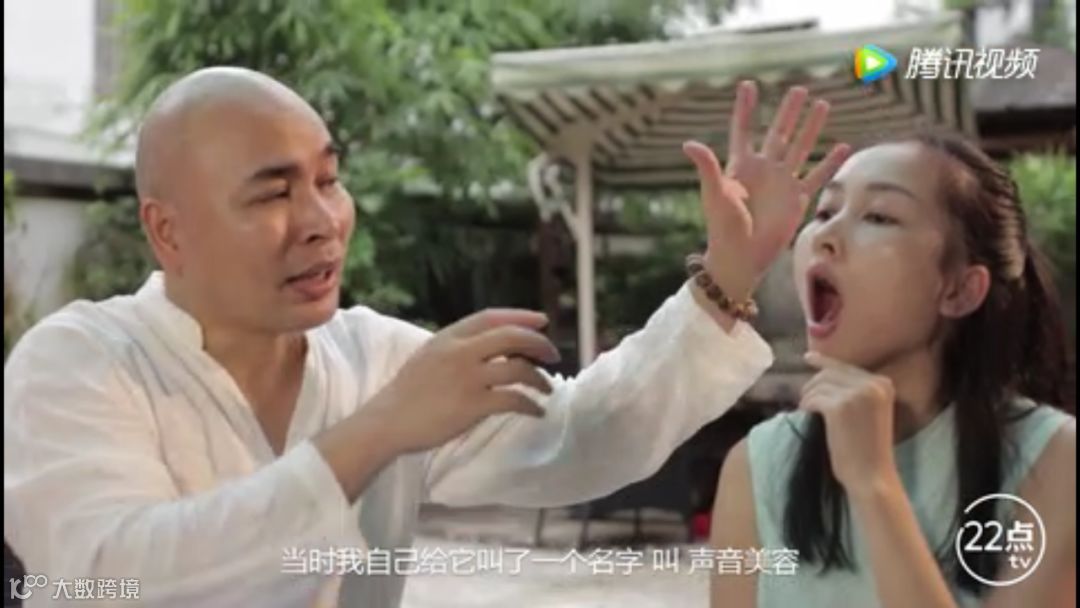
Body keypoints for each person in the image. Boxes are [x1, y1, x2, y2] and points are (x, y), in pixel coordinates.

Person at [4, 68, 846, 607]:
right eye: (272, 194)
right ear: (168, 231)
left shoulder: (371, 356)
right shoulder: (78, 361)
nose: (321, 221)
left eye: (329, 179)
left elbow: (580, 437)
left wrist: (726, 277)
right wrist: (378, 432)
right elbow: (109, 578)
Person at [708, 132, 1076, 607]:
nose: (826, 237)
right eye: (825, 212)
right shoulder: (757, 464)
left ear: (960, 290)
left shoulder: (1055, 460)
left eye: (879, 216)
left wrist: (874, 485)